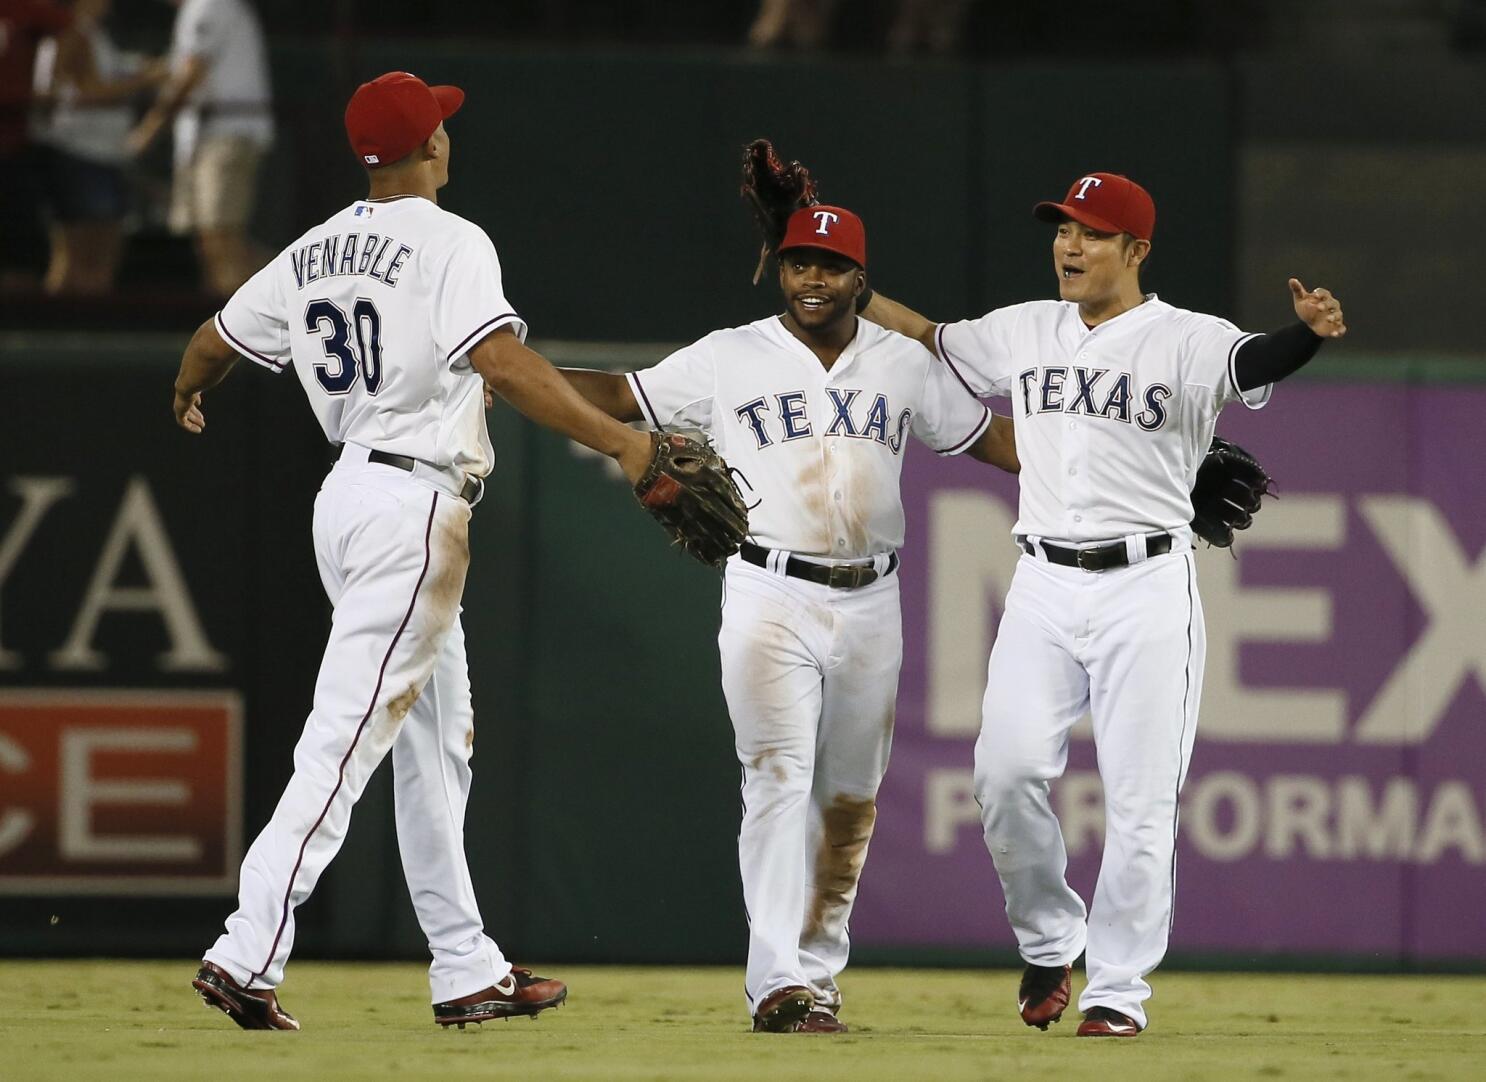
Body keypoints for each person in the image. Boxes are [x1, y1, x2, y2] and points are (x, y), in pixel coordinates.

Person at [171, 70, 656, 1030]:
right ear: (431, 146)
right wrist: (622, 443)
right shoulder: (450, 239)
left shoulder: (313, 249)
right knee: (347, 739)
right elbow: (503, 364)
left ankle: (464, 965)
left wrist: (187, 391)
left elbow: (212, 340)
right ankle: (246, 947)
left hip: (349, 495)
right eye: (441, 125)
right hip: (412, 508)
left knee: (438, 745)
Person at [861, 172, 1346, 1036]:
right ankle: (1051, 938)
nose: (1068, 246)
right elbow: (929, 336)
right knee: (1003, 774)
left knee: (1140, 799)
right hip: (1042, 582)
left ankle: (1118, 992)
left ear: (1136, 251)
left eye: (1089, 233)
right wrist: (837, 272)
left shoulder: (1185, 337)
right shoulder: (1024, 328)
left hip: (1146, 586)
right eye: (1062, 230)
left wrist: (1303, 334)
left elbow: (1255, 362)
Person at [558, 205, 1019, 1033]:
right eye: (798, 262)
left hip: (873, 597)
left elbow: (993, 441)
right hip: (769, 588)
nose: (812, 278)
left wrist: (1123, 448)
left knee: (850, 798)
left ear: (860, 278)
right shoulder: (730, 354)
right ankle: (776, 980)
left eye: (830, 264)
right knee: (774, 776)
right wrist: (511, 373)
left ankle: (818, 972)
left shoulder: (904, 364)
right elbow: (622, 396)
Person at [129, 0, 272, 296]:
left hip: (226, 134)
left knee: (221, 239)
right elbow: (175, 67)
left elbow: (191, 73)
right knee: (203, 244)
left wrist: (149, 129)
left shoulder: (209, 5)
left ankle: (281, 308)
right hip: (201, 138)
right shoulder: (196, 11)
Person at [31, 0, 167, 294]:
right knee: (79, 256)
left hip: (101, 155)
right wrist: (146, 79)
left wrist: (140, 70)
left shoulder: (94, 33)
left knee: (97, 258)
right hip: (81, 156)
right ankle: (61, 330)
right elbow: (87, 92)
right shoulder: (72, 32)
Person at [0, 0, 74, 289]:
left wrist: (50, 82)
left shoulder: (18, 8)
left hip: (11, 149)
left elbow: (71, 27)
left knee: (19, 252)